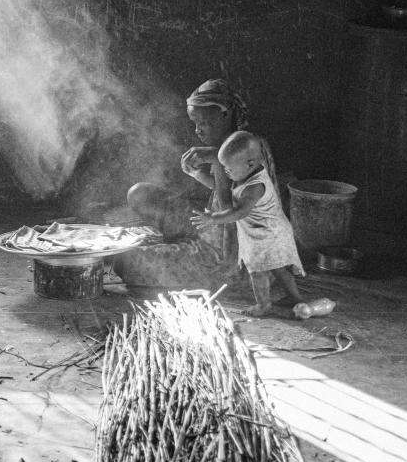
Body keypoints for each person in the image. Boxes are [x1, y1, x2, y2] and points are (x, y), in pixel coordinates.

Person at [110, 79, 253, 289]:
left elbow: (234, 216)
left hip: (225, 252)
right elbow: (225, 190)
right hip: (208, 222)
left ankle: (185, 250)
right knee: (139, 193)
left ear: (225, 114)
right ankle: (180, 243)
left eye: (203, 122)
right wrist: (197, 174)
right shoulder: (226, 143)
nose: (198, 130)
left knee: (125, 261)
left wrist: (216, 159)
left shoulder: (249, 148)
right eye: (195, 123)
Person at [192, 131, 305, 316]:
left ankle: (263, 305)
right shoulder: (246, 174)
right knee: (278, 268)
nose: (225, 172)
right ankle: (296, 299)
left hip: (267, 233)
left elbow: (239, 212)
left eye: (228, 169)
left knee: (257, 271)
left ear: (250, 163)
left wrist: (213, 218)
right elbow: (222, 189)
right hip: (268, 230)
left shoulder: (255, 187)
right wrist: (197, 175)